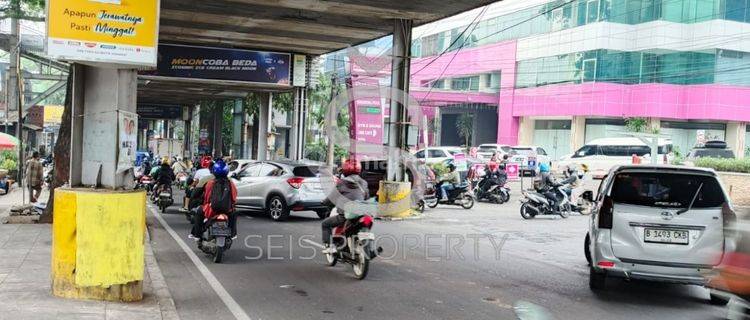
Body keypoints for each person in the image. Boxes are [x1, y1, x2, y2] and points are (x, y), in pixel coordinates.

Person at [321, 159, 369, 254]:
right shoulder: (364, 182)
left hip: (346, 214)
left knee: (325, 224)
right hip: (362, 213)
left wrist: (324, 202)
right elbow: (366, 197)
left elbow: (332, 198)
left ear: (345, 170)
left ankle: (331, 246)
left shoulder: (341, 183)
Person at [190, 159, 237, 239]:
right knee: (234, 213)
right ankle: (233, 234)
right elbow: (234, 197)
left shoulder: (208, 181)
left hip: (211, 209)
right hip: (227, 209)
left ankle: (197, 235)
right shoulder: (230, 182)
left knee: (198, 212)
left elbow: (203, 197)